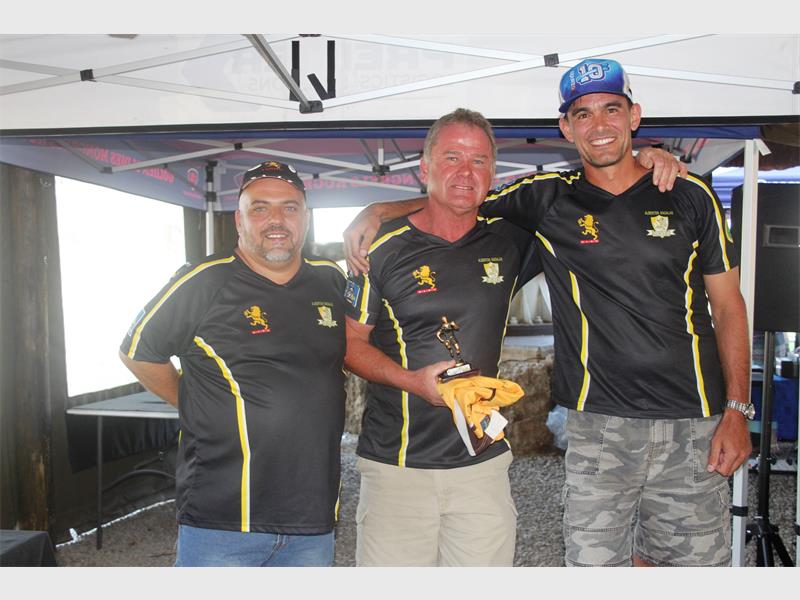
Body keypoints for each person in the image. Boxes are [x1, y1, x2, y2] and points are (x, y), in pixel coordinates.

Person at [344, 59, 751, 567]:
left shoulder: (690, 195)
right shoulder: (545, 199)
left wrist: (738, 411)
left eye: (611, 109)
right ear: (565, 127)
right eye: (582, 114)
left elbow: (729, 306)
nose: (598, 124)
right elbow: (459, 198)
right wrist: (378, 210)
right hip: (598, 424)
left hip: (692, 419)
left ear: (634, 116)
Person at [120, 160, 347, 567]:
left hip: (313, 518)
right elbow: (138, 351)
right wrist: (193, 402)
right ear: (239, 220)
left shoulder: (330, 279)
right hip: (222, 521)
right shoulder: (204, 280)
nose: (276, 220)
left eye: (290, 207)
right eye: (260, 208)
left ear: (306, 218)